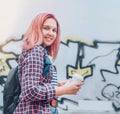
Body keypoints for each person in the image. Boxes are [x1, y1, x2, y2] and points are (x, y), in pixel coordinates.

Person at [13, 13, 83, 114]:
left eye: (54, 30)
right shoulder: (36, 52)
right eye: (46, 28)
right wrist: (64, 90)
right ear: (36, 29)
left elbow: (36, 82)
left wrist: (58, 85)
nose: (51, 33)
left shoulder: (39, 52)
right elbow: (30, 91)